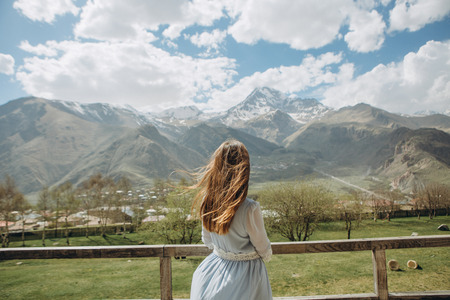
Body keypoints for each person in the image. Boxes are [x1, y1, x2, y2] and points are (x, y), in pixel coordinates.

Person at [189, 139, 272, 300]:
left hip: (213, 271)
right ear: (244, 169)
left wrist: (224, 249)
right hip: (248, 276)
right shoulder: (250, 208)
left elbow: (207, 240)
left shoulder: (207, 201)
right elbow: (264, 249)